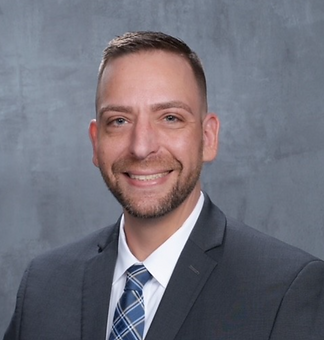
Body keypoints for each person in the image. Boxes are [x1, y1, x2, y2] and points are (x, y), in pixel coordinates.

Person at [3, 31, 324, 340]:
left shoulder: (287, 290)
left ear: (208, 138)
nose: (142, 147)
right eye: (119, 120)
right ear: (96, 142)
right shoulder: (43, 286)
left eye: (170, 118)